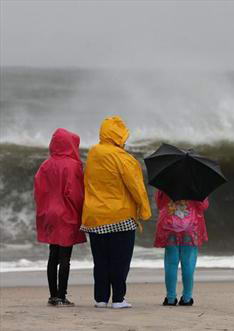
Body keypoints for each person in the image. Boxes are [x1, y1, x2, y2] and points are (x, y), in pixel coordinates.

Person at [80, 116, 151, 309]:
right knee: (120, 261)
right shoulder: (123, 158)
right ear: (118, 137)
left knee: (101, 261)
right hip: (120, 216)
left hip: (94, 216)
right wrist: (144, 210)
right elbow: (136, 187)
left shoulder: (93, 153)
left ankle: (101, 299)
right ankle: (118, 299)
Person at [34, 128, 87, 307]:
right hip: (66, 214)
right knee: (65, 257)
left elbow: (38, 191)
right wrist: (82, 212)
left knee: (52, 255)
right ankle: (62, 296)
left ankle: (52, 296)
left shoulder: (45, 165)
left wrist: (44, 209)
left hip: (49, 213)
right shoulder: (73, 166)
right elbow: (75, 194)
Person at [154, 191, 209, 306]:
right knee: (188, 263)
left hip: (170, 226)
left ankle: (170, 298)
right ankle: (187, 298)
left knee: (171, 263)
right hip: (190, 227)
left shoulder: (165, 181)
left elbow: (159, 204)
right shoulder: (196, 184)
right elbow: (203, 206)